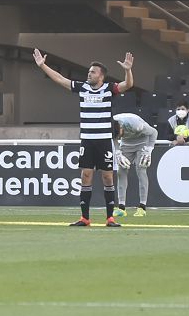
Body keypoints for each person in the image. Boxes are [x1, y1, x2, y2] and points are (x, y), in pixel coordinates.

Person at [34, 49, 134, 227]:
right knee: (86, 176)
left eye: (93, 72)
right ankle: (85, 218)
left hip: (104, 141)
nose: (89, 73)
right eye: (89, 71)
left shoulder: (109, 89)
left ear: (101, 76)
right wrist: (43, 65)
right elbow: (59, 79)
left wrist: (127, 70)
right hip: (87, 140)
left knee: (108, 178)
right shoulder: (82, 88)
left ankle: (110, 218)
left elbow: (128, 85)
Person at [111, 112, 157, 218]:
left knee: (141, 169)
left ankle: (142, 207)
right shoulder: (111, 125)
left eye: (119, 134)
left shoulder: (136, 125)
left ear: (122, 126)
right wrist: (118, 153)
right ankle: (121, 207)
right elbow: (113, 139)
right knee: (121, 171)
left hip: (142, 141)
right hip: (126, 144)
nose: (119, 136)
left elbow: (154, 132)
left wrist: (149, 151)